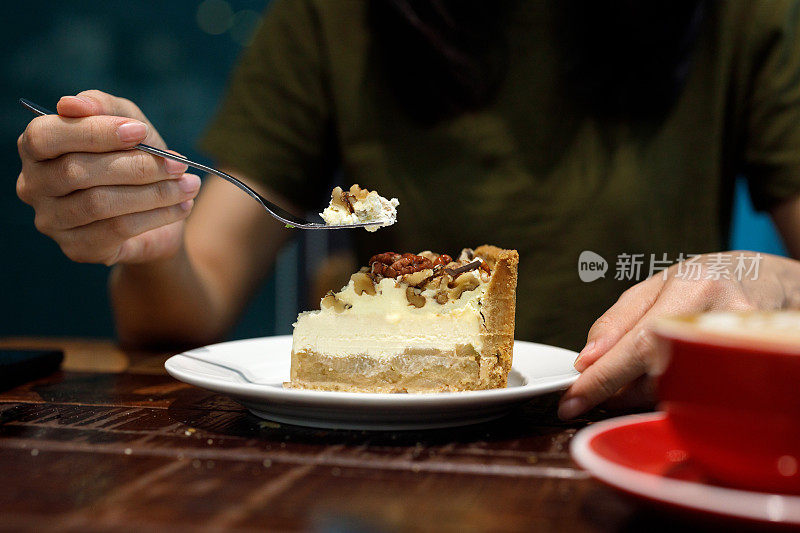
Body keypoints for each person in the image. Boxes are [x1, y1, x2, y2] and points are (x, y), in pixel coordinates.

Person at [15, 0, 800, 420]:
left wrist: (773, 289)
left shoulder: (740, 13)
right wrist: (145, 233)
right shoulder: (338, 16)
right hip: (386, 474)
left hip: (657, 444)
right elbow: (188, 306)